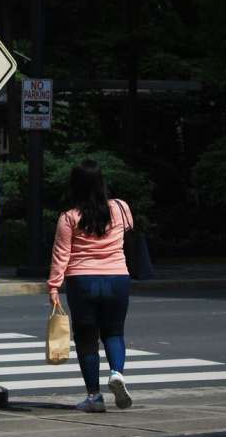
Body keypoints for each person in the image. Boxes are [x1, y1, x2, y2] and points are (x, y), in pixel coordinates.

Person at [47, 159, 133, 413]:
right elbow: (128, 232)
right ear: (101, 182)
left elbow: (61, 254)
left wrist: (53, 287)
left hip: (81, 281)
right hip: (117, 278)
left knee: (87, 340)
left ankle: (94, 397)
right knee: (114, 333)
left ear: (75, 186)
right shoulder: (120, 207)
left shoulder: (69, 217)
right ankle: (116, 373)